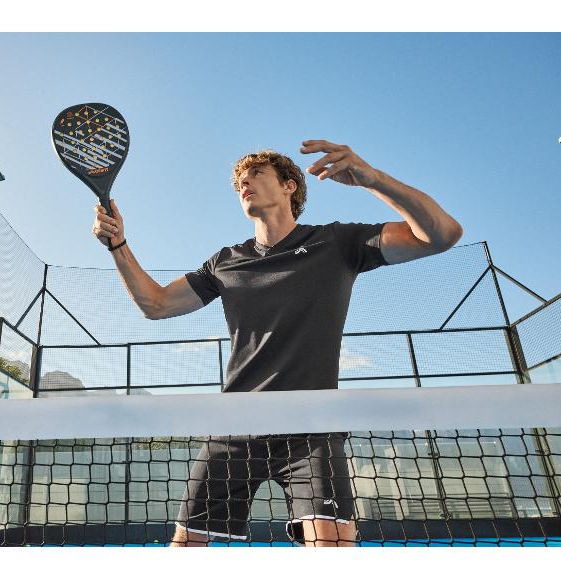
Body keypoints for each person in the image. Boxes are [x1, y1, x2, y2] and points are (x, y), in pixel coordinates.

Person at [91, 140, 463, 547]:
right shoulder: (225, 261)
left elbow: (442, 235)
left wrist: (373, 180)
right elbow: (157, 304)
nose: (244, 183)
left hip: (312, 427)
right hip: (235, 426)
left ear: (289, 186)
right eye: (239, 181)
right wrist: (118, 245)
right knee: (186, 549)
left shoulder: (336, 242)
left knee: (334, 549)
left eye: (256, 174)